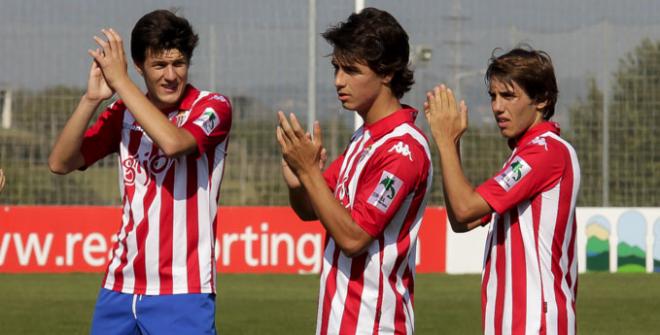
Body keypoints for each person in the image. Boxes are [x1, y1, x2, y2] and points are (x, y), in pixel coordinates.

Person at [48, 9, 232, 334]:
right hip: (119, 285)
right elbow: (60, 163)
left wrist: (121, 83)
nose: (171, 75)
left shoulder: (212, 107)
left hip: (182, 289)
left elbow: (174, 143)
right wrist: (91, 99)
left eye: (179, 63)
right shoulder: (123, 112)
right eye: (159, 65)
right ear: (139, 66)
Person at [277, 8, 432, 334]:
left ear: (387, 73)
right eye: (336, 68)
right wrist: (299, 181)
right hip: (338, 322)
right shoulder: (364, 138)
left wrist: (308, 170)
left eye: (351, 70)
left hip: (374, 325)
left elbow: (352, 237)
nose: (338, 81)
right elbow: (311, 210)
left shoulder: (403, 149)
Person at [424, 47, 580, 334]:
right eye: (493, 96)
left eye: (508, 96)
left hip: (536, 323)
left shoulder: (546, 151)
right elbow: (463, 221)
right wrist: (453, 144)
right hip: (510, 321)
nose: (497, 107)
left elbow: (464, 208)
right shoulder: (523, 155)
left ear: (542, 99)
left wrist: (445, 141)